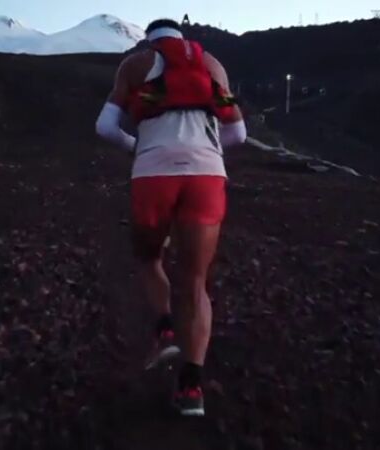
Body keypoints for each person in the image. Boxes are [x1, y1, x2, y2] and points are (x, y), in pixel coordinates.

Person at [95, 18, 247, 417]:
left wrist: (138, 146)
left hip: (153, 173)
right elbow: (239, 134)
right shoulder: (212, 64)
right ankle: (192, 388)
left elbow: (104, 127)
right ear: (181, 37)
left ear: (149, 39)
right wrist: (205, 153)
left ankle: (165, 330)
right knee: (195, 280)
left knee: (149, 257)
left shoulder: (135, 64)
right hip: (206, 175)